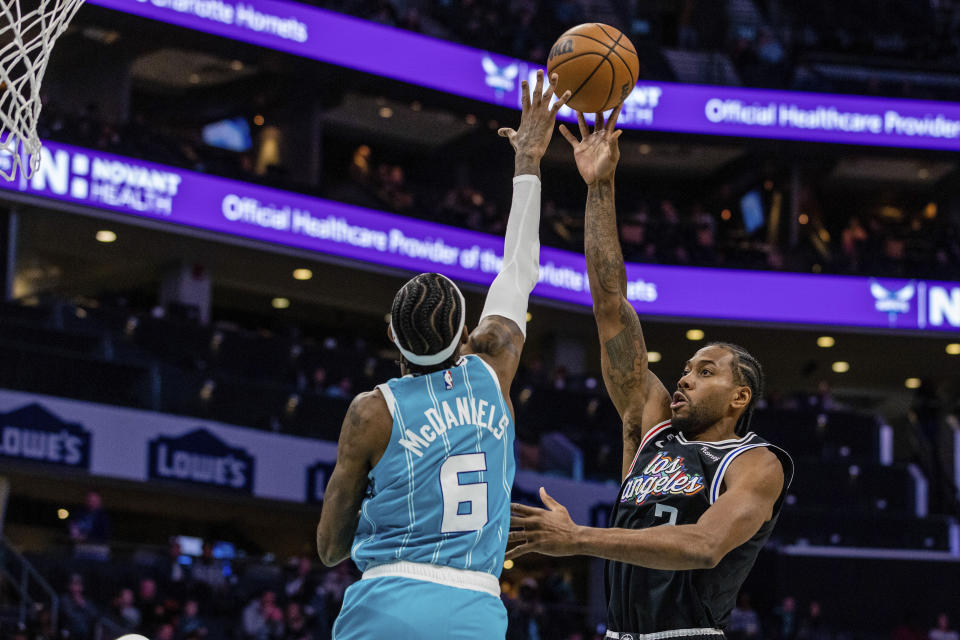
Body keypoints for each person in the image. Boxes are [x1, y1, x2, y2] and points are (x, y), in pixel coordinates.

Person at [507, 105, 794, 639]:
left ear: (739, 397)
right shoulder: (652, 424)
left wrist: (578, 539)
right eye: (686, 369)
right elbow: (610, 304)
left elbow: (705, 546)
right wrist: (599, 186)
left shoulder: (756, 463)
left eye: (705, 371)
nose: (683, 378)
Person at [315, 70, 571, 639]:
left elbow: (331, 548)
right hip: (475, 607)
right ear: (464, 336)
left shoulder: (370, 412)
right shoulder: (492, 366)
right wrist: (528, 160)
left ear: (391, 335)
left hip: (386, 599)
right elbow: (518, 269)